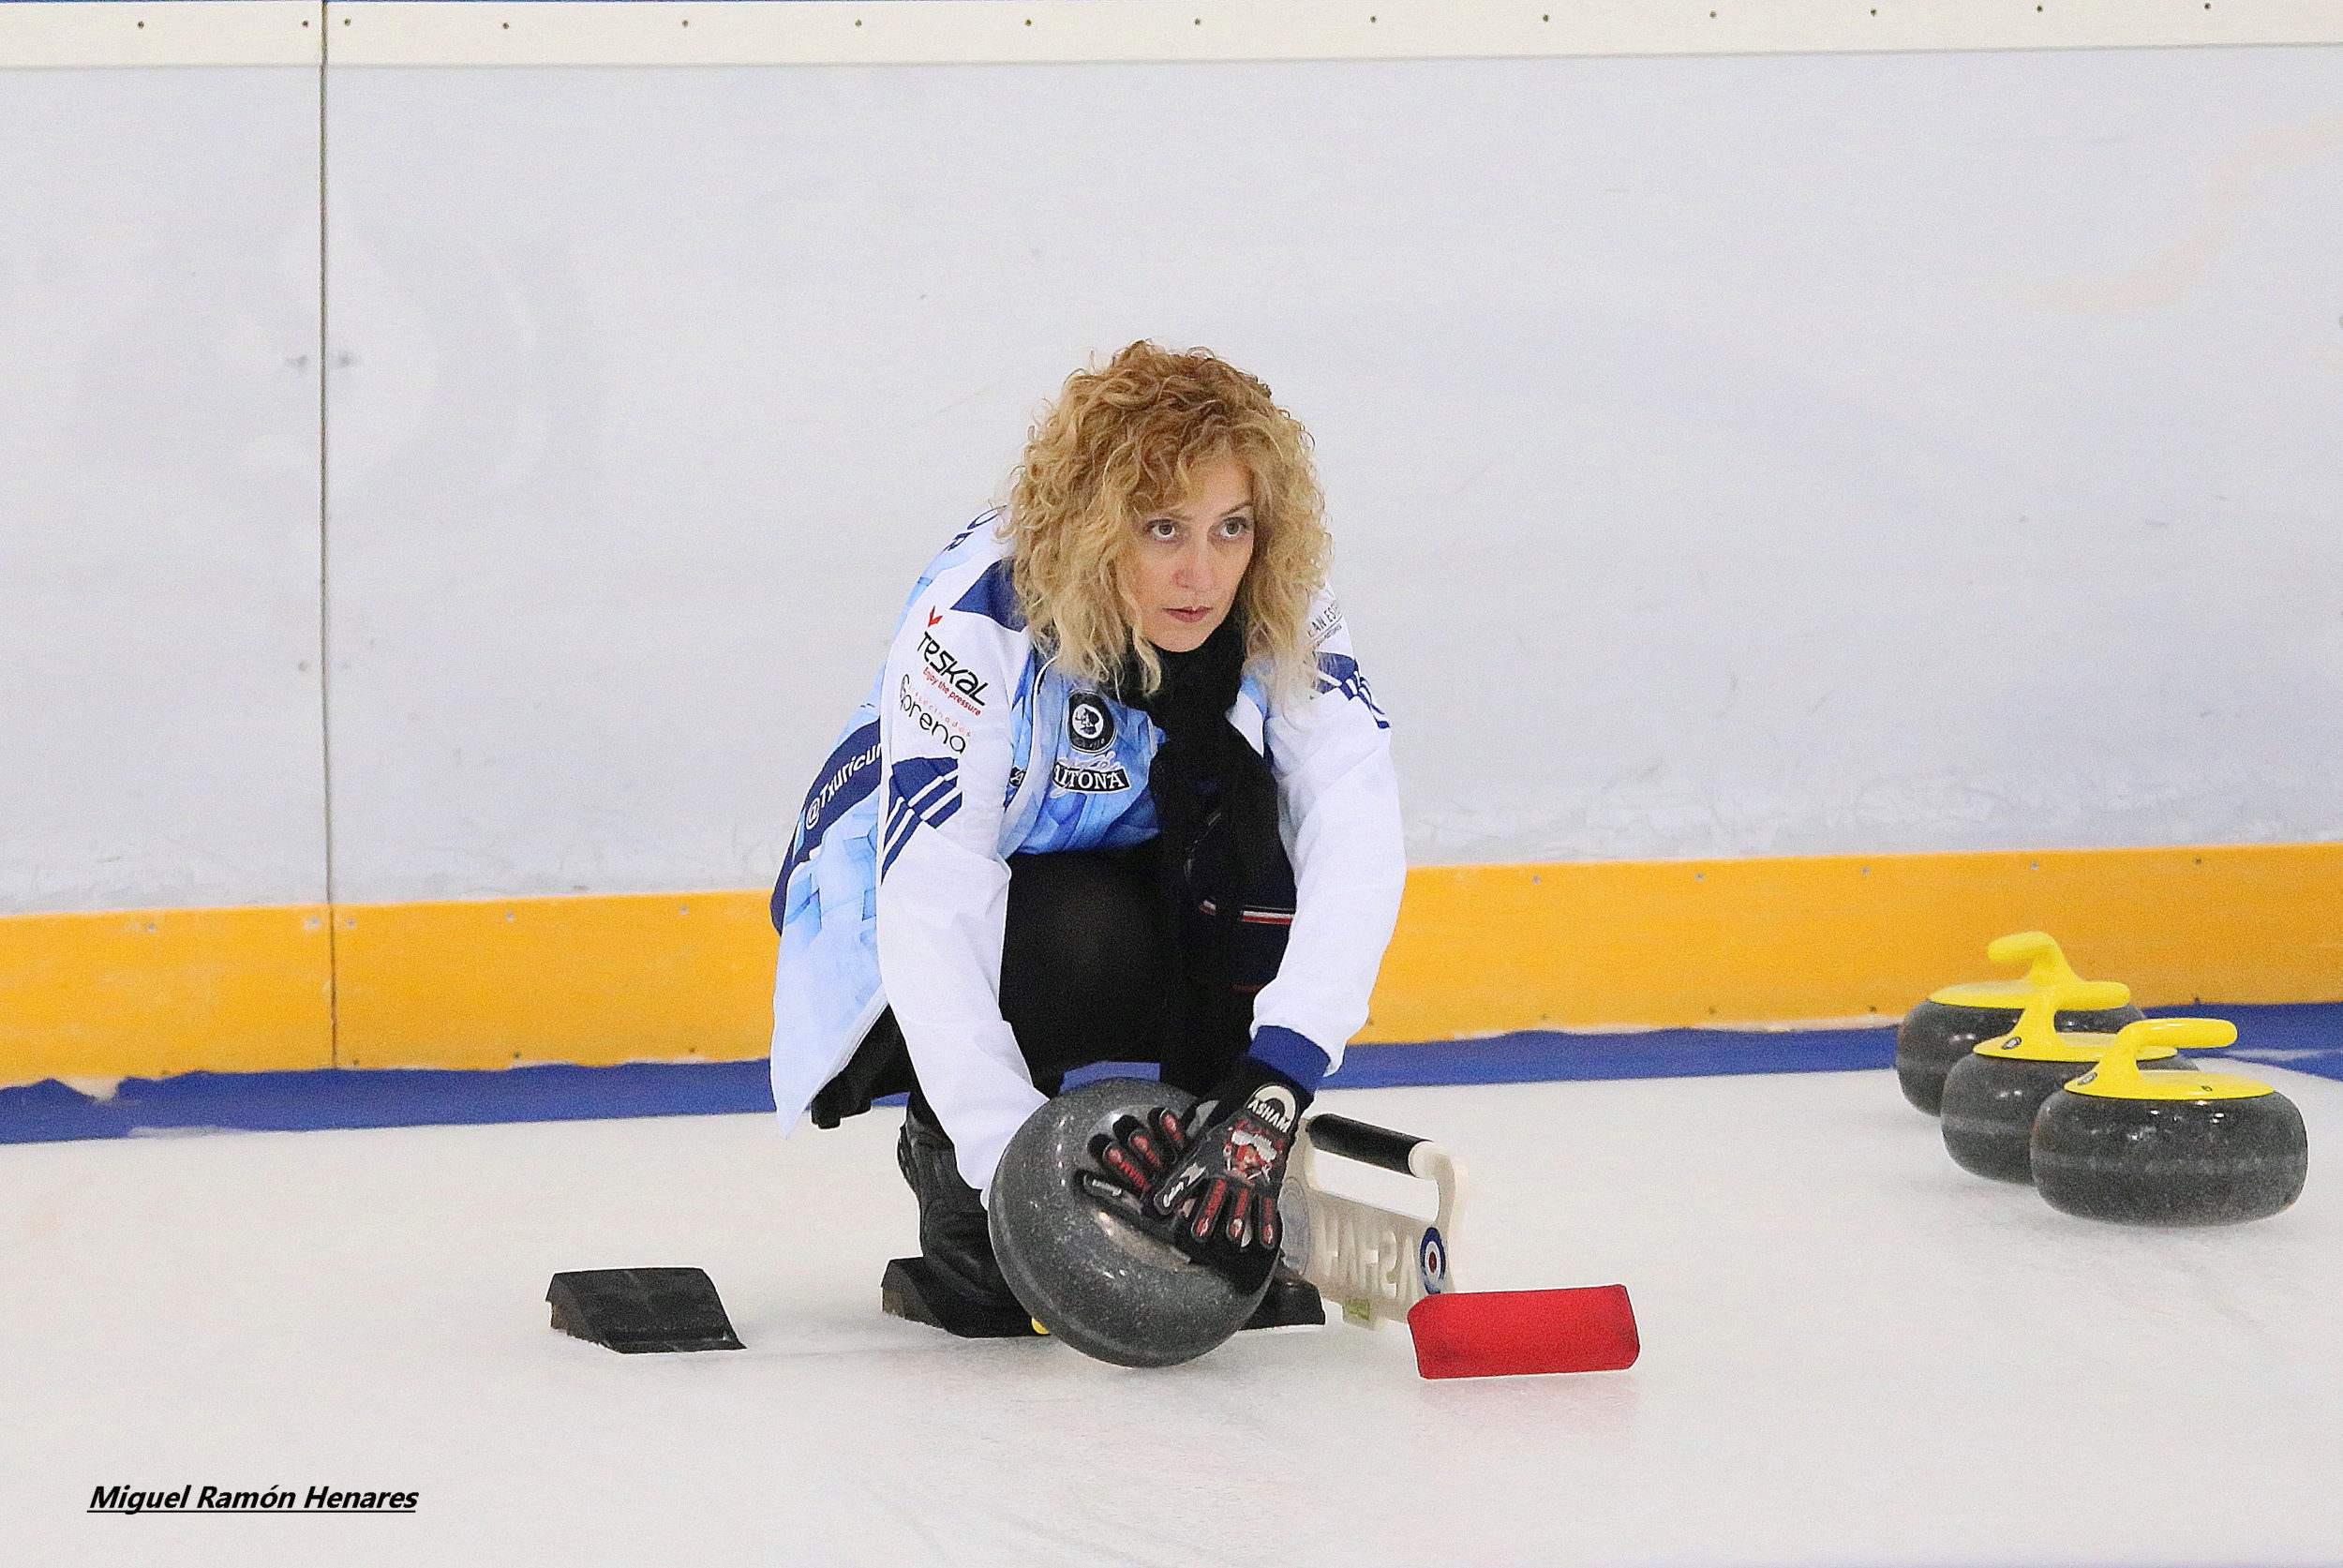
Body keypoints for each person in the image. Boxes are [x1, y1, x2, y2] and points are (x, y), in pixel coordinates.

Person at [767, 341, 1405, 1330]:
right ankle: (951, 1182)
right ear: (1092, 527)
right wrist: (1014, 1174)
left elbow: (1354, 823)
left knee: (1255, 867)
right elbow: (934, 902)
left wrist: (1275, 1082)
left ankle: (1201, 1162)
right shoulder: (977, 615)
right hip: (904, 907)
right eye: (1161, 529)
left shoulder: (1279, 594)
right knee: (1078, 923)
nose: (1202, 572)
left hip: (1134, 850)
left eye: (1230, 526)